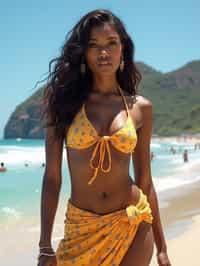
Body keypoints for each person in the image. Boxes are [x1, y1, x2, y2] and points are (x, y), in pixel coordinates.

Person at [38, 9, 171, 266]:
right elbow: (52, 178)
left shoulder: (141, 108)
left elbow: (145, 181)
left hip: (132, 221)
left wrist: (162, 248)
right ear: (83, 53)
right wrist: (45, 245)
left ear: (123, 49)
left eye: (111, 43)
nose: (104, 53)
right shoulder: (63, 104)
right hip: (82, 228)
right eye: (94, 45)